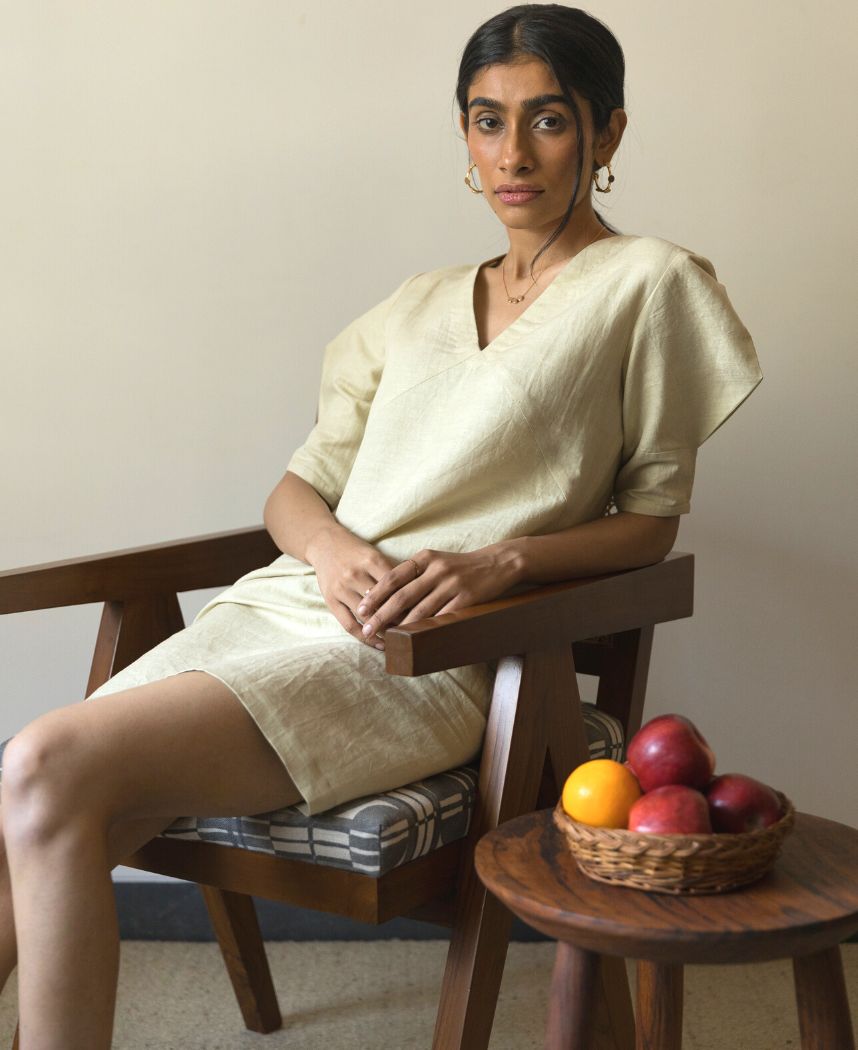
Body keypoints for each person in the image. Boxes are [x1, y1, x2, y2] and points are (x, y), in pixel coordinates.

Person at [0, 4, 762, 1046]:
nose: (513, 153)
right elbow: (293, 492)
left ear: (607, 133)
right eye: (486, 120)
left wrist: (500, 563)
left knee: (41, 767)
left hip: (428, 651)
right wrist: (332, 551)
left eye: (547, 120)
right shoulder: (416, 303)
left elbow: (650, 525)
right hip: (287, 607)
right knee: (36, 803)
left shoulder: (650, 284)